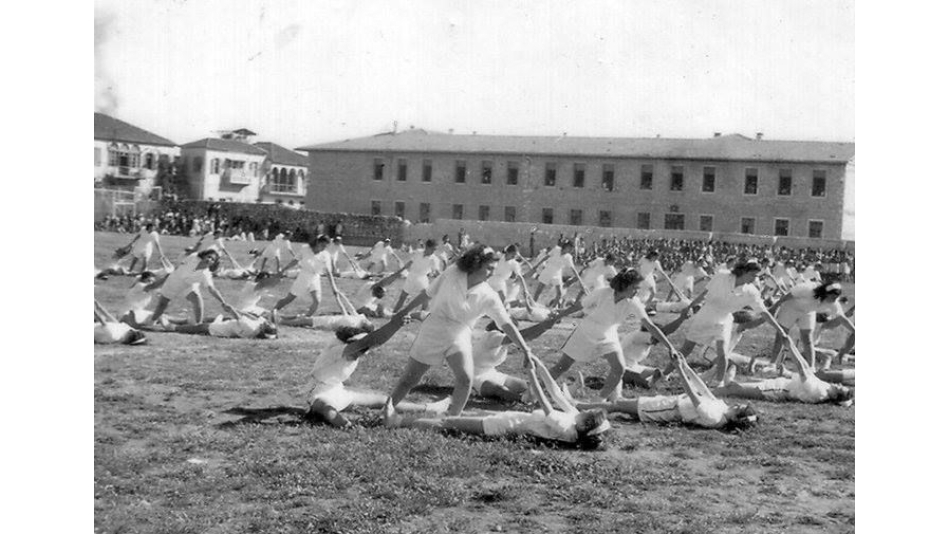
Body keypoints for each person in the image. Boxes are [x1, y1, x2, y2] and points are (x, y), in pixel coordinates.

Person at [386, 245, 538, 416]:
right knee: (410, 380)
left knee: (465, 378)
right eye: (489, 268)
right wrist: (404, 311)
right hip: (434, 327)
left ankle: (451, 420)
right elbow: (427, 293)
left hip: (460, 333)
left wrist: (526, 350)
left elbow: (506, 324)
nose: (491, 273)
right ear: (476, 264)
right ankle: (387, 410)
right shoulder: (452, 272)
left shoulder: (489, 295)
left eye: (494, 269)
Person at [384, 353, 611, 450]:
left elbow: (547, 404)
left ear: (585, 424)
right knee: (454, 421)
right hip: (510, 419)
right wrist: (540, 365)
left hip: (505, 426)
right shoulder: (573, 420)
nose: (586, 410)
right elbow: (556, 392)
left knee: (449, 424)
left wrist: (532, 376)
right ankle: (403, 419)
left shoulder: (566, 429)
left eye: (590, 414)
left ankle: (398, 422)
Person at [547, 269, 679, 402]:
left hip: (608, 334)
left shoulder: (634, 302)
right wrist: (558, 316)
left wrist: (670, 347)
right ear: (625, 285)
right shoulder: (603, 292)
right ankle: (533, 392)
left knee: (619, 368)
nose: (637, 291)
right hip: (586, 330)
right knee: (562, 366)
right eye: (635, 288)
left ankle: (598, 402)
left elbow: (651, 326)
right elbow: (578, 306)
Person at [306, 310, 437, 427]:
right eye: (363, 349)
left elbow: (373, 342)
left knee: (383, 400)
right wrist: (394, 324)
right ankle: (349, 426)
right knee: (326, 409)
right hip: (317, 390)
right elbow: (370, 341)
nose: (366, 352)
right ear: (350, 342)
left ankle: (429, 408)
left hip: (336, 389)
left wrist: (396, 325)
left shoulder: (353, 348)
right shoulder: (337, 350)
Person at [574, 351, 758, 430]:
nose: (738, 405)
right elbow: (703, 389)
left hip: (662, 410)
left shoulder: (715, 417)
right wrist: (685, 367)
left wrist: (679, 369)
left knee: (616, 405)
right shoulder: (721, 407)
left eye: (740, 409)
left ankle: (578, 406)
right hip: (669, 403)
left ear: (736, 418)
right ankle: (582, 404)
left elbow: (694, 395)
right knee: (618, 404)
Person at [672, 260, 787, 387]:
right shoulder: (723, 276)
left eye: (757, 276)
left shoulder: (750, 293)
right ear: (744, 271)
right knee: (693, 349)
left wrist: (780, 329)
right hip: (708, 334)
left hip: (722, 327)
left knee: (730, 357)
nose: (755, 279)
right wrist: (691, 306)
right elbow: (705, 293)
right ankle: (677, 375)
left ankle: (717, 382)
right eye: (753, 275)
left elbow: (763, 313)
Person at [471, 304, 582, 402]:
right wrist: (544, 325)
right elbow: (524, 335)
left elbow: (527, 337)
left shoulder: (502, 339)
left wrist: (547, 325)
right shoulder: (491, 336)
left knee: (526, 386)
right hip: (476, 377)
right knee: (500, 390)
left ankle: (562, 394)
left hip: (493, 374)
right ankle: (523, 400)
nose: (515, 331)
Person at [712, 335, 854, 406]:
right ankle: (716, 384)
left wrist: (790, 347)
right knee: (732, 386)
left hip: (774, 390)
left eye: (841, 389)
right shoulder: (827, 388)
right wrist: (791, 346)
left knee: (733, 389)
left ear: (836, 397)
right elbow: (806, 367)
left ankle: (702, 393)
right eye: (842, 386)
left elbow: (802, 370)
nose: (840, 385)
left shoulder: (819, 393)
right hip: (779, 383)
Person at [752, 280, 854, 372]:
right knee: (782, 335)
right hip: (791, 307)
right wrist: (775, 307)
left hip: (808, 312)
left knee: (807, 338)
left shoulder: (833, 303)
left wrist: (855, 330)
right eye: (833, 296)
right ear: (826, 293)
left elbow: (842, 319)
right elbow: (788, 296)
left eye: (836, 297)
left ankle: (811, 367)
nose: (834, 299)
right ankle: (772, 364)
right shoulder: (808, 289)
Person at [143, 248, 239, 325]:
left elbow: (212, 289)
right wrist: (165, 279)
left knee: (198, 301)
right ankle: (152, 322)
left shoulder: (206, 274)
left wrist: (223, 302)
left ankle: (198, 324)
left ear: (213, 263)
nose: (209, 259)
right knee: (163, 304)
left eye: (212, 259)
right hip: (174, 281)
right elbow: (179, 267)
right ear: (204, 256)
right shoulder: (193, 257)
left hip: (188, 285)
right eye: (209, 256)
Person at [272, 235, 342, 317]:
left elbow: (329, 272)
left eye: (325, 247)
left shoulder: (325, 255)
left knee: (317, 301)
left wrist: (334, 287)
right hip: (304, 276)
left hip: (315, 277)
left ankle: (306, 318)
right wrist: (283, 270)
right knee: (289, 298)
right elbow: (295, 261)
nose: (323, 248)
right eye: (322, 245)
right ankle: (274, 311)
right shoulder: (305, 249)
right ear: (317, 242)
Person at [392, 239, 441, 313]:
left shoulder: (434, 259)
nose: (434, 251)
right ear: (427, 247)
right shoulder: (418, 252)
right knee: (403, 296)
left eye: (435, 249)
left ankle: (423, 314)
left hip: (422, 278)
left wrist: (443, 279)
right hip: (411, 276)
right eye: (433, 249)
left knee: (425, 297)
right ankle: (394, 313)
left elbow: (437, 271)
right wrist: (400, 271)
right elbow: (410, 263)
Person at [533, 241, 583, 308]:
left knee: (559, 293)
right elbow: (546, 257)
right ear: (566, 246)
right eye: (570, 248)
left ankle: (552, 309)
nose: (571, 250)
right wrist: (537, 265)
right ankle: (532, 305)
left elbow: (573, 269)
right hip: (547, 271)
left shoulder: (568, 257)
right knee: (539, 290)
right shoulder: (556, 249)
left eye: (572, 249)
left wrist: (581, 281)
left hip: (557, 274)